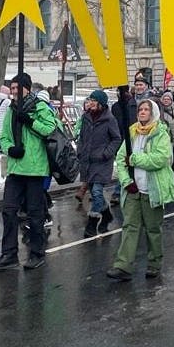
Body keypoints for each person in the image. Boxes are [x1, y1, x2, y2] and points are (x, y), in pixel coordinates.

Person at [0, 73, 58, 271]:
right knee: (9, 210)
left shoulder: (40, 107)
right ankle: (9, 254)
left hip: (35, 169)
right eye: (11, 89)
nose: (13, 92)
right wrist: (10, 148)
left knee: (35, 213)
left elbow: (50, 128)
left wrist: (29, 121)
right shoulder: (11, 109)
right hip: (16, 167)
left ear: (27, 88)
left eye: (16, 89)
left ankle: (37, 253)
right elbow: (4, 135)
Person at [107, 98, 174, 280]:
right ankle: (123, 266)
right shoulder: (132, 133)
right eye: (140, 109)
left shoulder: (161, 134)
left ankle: (155, 263)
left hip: (152, 190)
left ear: (153, 112)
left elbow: (160, 159)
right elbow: (122, 159)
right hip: (133, 190)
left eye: (146, 109)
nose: (142, 112)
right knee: (130, 226)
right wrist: (125, 181)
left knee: (153, 229)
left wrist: (135, 159)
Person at [77, 90, 120, 238]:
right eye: (90, 100)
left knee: (96, 191)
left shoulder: (109, 120)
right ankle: (106, 214)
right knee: (96, 193)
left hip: (102, 162)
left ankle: (92, 223)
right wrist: (80, 150)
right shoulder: (86, 117)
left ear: (101, 103)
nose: (91, 103)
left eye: (94, 101)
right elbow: (82, 137)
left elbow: (116, 139)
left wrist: (106, 153)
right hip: (88, 161)